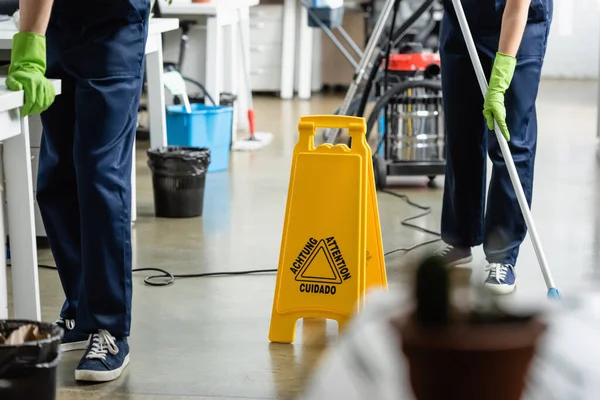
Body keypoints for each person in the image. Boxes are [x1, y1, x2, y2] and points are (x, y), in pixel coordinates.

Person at [6, 0, 149, 381]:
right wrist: (34, 39)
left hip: (113, 24)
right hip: (59, 24)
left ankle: (109, 328)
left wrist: (30, 37)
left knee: (99, 173)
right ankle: (83, 310)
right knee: (56, 177)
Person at [437, 0, 553, 294]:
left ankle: (502, 257)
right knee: (461, 128)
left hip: (519, 19)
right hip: (463, 15)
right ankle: (461, 237)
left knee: (509, 136)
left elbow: (517, 6)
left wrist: (500, 79)